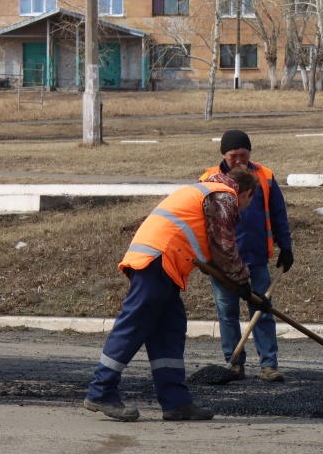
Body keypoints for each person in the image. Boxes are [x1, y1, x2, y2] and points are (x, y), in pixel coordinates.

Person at [83, 169, 264, 422]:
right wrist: (244, 283)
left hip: (163, 264)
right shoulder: (224, 195)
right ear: (247, 193)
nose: (243, 209)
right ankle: (101, 390)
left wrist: (241, 285)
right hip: (158, 260)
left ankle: (176, 402)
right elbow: (224, 248)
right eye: (248, 202)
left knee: (170, 329)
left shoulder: (204, 190)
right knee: (134, 324)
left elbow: (213, 253)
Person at [198, 130, 293, 383]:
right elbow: (199, 222)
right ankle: (234, 364)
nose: (239, 160)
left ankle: (269, 365)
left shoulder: (265, 177)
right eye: (233, 156)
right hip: (222, 264)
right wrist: (204, 259)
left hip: (256, 258)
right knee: (227, 312)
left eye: (243, 155)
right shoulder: (209, 179)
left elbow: (278, 214)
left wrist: (286, 247)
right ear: (223, 155)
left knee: (262, 310)